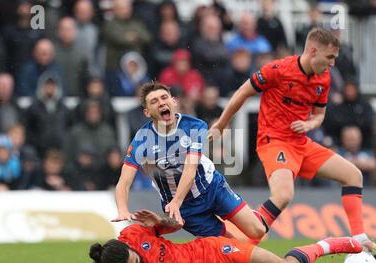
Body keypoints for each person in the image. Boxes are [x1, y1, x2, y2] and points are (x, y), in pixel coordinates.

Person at [208, 28, 376, 259]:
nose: (333, 64)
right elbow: (243, 93)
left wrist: (309, 125)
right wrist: (222, 124)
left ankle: (359, 239)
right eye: (330, 57)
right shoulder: (278, 70)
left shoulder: (323, 78)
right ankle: (241, 250)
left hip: (301, 143)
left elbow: (319, 115)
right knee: (283, 195)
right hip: (274, 141)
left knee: (353, 175)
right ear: (313, 51)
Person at [112, 81, 266, 243]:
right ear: (147, 112)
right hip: (186, 209)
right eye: (154, 101)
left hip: (212, 188)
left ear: (174, 102)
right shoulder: (142, 139)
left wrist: (176, 202)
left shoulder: (195, 126)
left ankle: (255, 215)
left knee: (258, 231)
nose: (161, 103)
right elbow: (124, 182)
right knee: (230, 249)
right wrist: (123, 210)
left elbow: (190, 170)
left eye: (164, 97)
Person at [90, 209, 361, 263]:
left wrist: (161, 222)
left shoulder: (134, 233)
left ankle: (330, 244)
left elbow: (178, 225)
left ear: (128, 246)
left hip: (216, 251)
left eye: (136, 261)